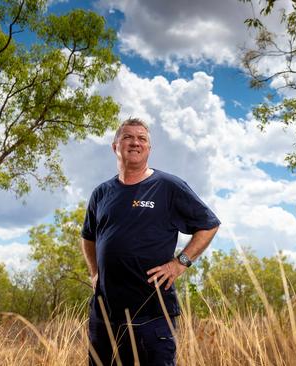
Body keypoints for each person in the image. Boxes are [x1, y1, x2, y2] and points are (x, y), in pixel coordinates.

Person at [81, 118, 220, 366]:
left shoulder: (168, 187)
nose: (135, 142)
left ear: (149, 148)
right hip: (105, 317)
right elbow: (88, 237)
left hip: (153, 315)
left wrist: (180, 263)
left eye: (142, 138)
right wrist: (94, 273)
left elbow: (208, 224)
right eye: (128, 137)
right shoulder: (101, 193)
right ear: (115, 146)